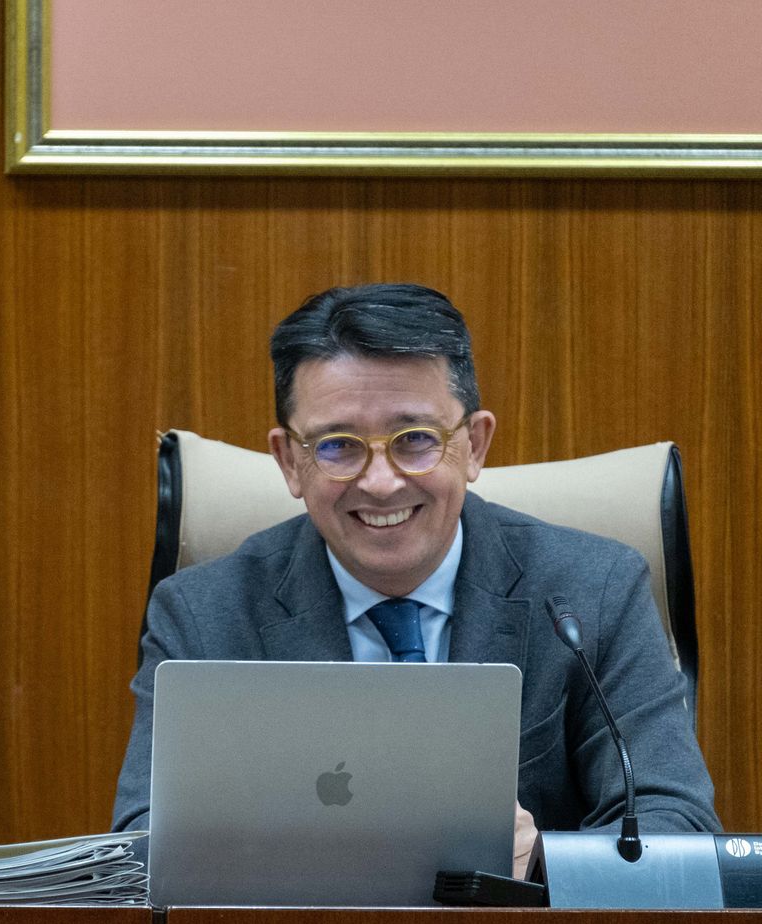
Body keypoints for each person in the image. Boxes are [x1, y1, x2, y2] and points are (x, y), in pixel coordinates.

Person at [113, 283, 720, 871]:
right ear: (288, 461)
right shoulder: (204, 614)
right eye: (337, 446)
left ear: (475, 445)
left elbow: (674, 825)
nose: (380, 482)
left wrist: (544, 862)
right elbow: (141, 845)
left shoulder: (592, 591)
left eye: (415, 440)